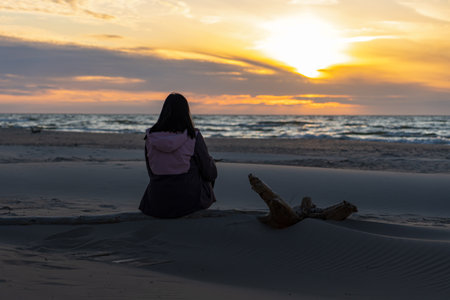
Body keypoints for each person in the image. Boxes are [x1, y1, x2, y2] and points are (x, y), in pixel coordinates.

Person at [139, 93, 217, 218]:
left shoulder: (151, 137)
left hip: (156, 201)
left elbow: (151, 172)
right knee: (208, 167)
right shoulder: (193, 136)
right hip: (188, 202)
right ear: (186, 112)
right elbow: (209, 172)